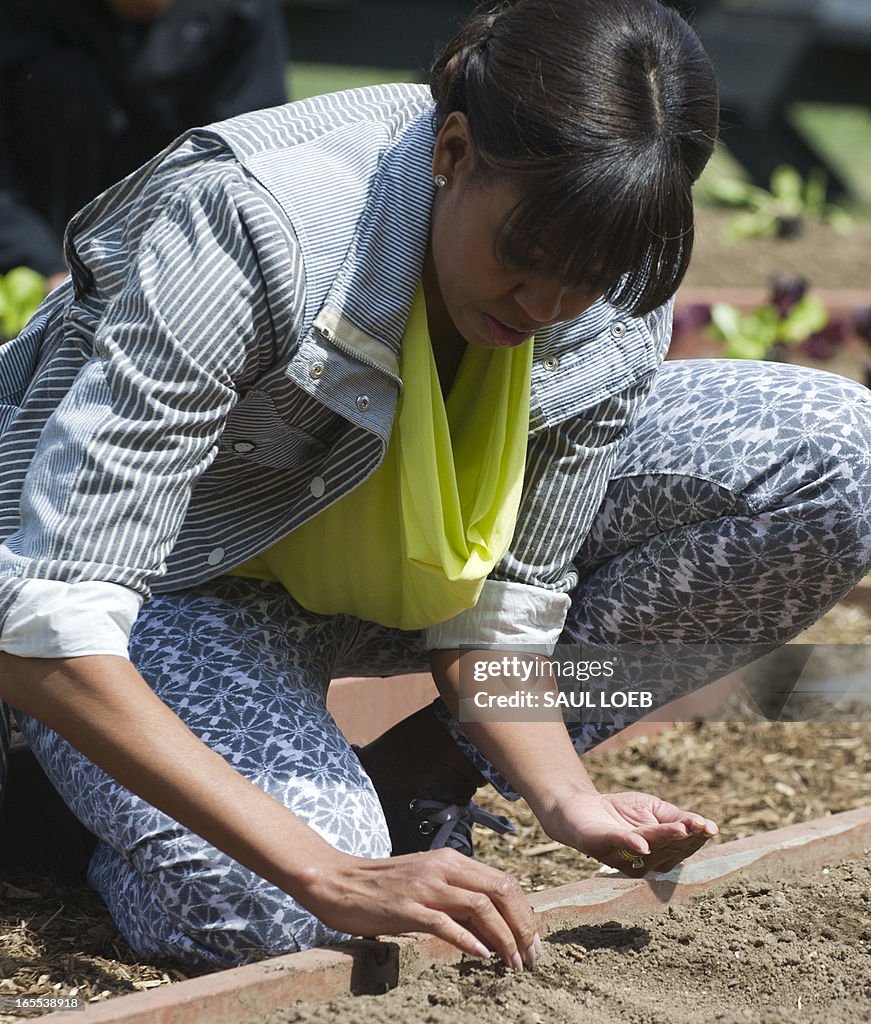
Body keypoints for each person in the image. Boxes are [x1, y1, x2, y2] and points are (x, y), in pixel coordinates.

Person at [0, 0, 869, 973]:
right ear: (452, 150)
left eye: (589, 273)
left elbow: (502, 615)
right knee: (297, 914)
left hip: (370, 577)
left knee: (834, 456)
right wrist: (326, 869)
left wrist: (564, 794)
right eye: (525, 258)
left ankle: (415, 774)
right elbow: (44, 623)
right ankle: (67, 789)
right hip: (174, 585)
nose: (545, 306)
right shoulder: (255, 224)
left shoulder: (610, 272)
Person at [0, 0, 289, 291]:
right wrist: (38, 260)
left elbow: (257, 154)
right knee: (60, 82)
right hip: (51, 218)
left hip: (180, 232)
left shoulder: (240, 10)